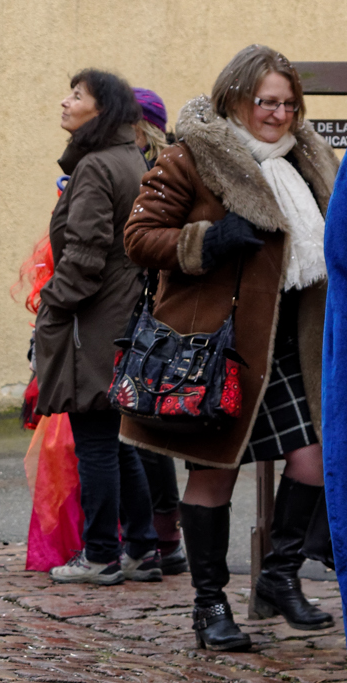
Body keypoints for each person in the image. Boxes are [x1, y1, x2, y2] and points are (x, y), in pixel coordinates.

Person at [125, 46, 338, 649]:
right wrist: (208, 241)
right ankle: (209, 604)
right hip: (218, 348)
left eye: (288, 103)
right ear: (236, 97)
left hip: (292, 346)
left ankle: (278, 576)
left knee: (314, 464)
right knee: (214, 478)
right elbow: (139, 237)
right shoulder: (191, 157)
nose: (277, 114)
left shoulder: (310, 160)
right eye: (265, 101)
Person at [36, 71, 156, 585]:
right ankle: (141, 547)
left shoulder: (95, 167)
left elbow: (84, 255)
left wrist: (52, 304)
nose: (65, 101)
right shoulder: (128, 157)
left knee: (96, 441)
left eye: (76, 95)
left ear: (100, 109)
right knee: (115, 437)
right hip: (120, 314)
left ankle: (103, 552)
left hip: (95, 320)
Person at [126, 88, 186, 575]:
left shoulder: (158, 166)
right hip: (138, 307)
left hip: (148, 310)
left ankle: (163, 536)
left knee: (148, 426)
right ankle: (159, 536)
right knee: (143, 425)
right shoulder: (135, 161)